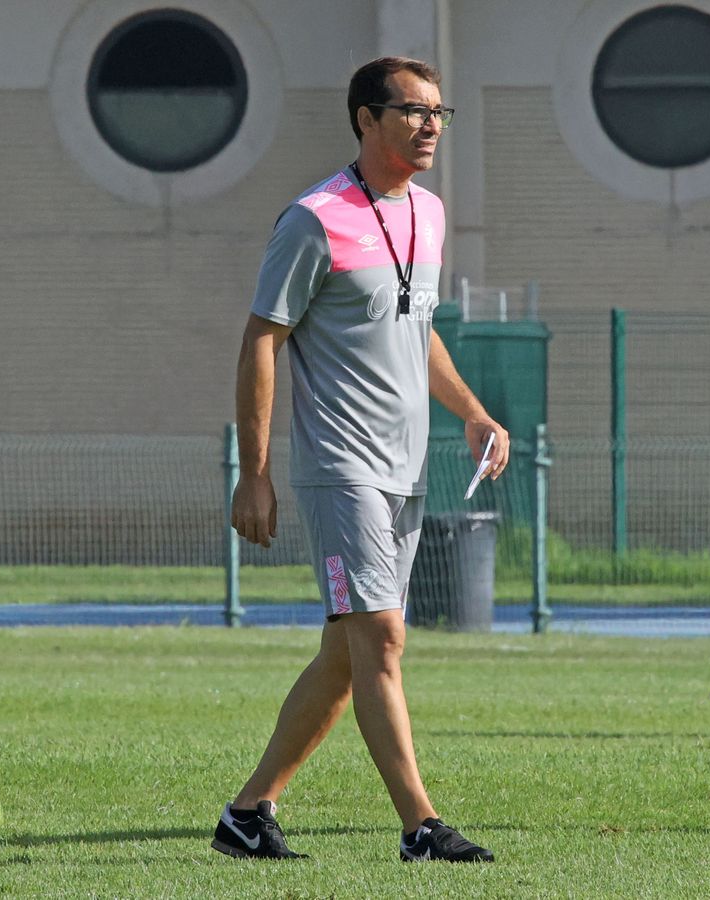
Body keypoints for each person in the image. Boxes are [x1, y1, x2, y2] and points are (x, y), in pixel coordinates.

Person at [213, 56, 508, 863]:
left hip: (406, 468)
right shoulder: (313, 219)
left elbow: (417, 330)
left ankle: (247, 813)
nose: (431, 126)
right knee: (381, 639)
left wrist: (473, 412)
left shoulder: (430, 214)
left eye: (439, 112)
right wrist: (255, 472)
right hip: (342, 469)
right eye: (413, 111)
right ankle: (421, 827)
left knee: (346, 658)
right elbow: (262, 340)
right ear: (366, 119)